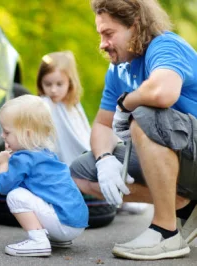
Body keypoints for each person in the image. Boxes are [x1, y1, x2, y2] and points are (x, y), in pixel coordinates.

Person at [70, 0, 197, 260]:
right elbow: (102, 125)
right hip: (183, 157)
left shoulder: (165, 46)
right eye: (100, 34)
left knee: (143, 114)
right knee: (82, 172)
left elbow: (163, 93)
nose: (102, 44)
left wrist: (125, 104)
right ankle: (185, 205)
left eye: (109, 34)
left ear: (135, 27)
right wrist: (105, 160)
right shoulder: (117, 70)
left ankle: (166, 232)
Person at [38, 51, 148, 214]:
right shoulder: (44, 104)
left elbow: (84, 134)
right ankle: (115, 199)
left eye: (59, 84)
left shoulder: (73, 106)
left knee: (114, 159)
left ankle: (121, 197)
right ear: (41, 83)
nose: (53, 90)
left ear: (70, 83)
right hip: (66, 163)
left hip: (82, 153)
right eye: (48, 84)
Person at [0, 94, 88, 257]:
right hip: (76, 222)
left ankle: (38, 241)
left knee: (15, 195)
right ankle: (57, 238)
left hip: (63, 224)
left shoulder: (23, 159)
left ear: (27, 134)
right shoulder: (46, 155)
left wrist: (3, 164)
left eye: (7, 132)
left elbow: (3, 186)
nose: (3, 136)